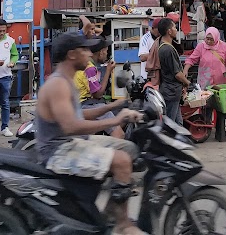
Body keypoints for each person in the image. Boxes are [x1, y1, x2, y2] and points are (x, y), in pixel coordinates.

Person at [35, 32, 144, 235]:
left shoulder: (66, 80)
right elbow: (71, 126)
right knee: (121, 160)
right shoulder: (58, 84)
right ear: (72, 55)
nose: (89, 54)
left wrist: (117, 105)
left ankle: (110, 206)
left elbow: (80, 113)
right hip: (59, 150)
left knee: (128, 148)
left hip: (71, 142)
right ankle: (122, 223)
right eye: (85, 50)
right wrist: (115, 119)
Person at [157, 17, 190, 124]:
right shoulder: (168, 49)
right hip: (171, 91)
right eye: (175, 27)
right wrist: (187, 82)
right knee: (171, 124)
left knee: (178, 122)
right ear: (169, 31)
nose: (176, 30)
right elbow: (178, 74)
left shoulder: (163, 46)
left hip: (171, 91)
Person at [73, 37, 115, 103]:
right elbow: (98, 95)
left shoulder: (84, 64)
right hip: (83, 104)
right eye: (106, 51)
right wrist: (108, 71)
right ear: (101, 53)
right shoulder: (89, 68)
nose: (107, 54)